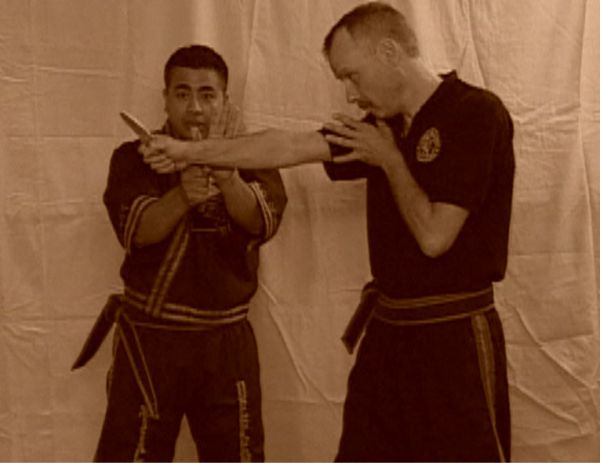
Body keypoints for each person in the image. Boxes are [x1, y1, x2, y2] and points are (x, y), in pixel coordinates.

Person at [141, 2, 515, 461]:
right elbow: (288, 146)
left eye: (352, 76)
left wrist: (389, 159)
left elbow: (435, 237)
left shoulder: (474, 113)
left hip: (453, 338)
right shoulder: (381, 128)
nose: (350, 95)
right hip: (389, 335)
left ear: (389, 52)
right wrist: (186, 151)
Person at [72, 44, 287, 462]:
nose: (195, 108)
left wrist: (227, 176)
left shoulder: (252, 156)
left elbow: (260, 223)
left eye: (208, 95)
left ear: (225, 101)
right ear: (166, 99)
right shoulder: (134, 158)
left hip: (226, 343)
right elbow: (138, 231)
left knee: (238, 456)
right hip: (151, 338)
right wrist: (184, 195)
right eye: (182, 93)